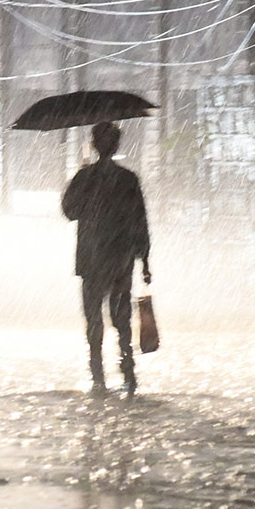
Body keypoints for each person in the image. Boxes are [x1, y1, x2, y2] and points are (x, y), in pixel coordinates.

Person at [61, 121, 152, 395]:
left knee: (94, 320)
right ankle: (128, 372)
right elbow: (140, 221)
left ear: (93, 144)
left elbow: (69, 211)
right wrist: (145, 259)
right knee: (121, 318)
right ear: (116, 146)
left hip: (91, 259)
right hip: (121, 259)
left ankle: (97, 376)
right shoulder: (128, 179)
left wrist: (84, 182)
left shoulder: (84, 178)